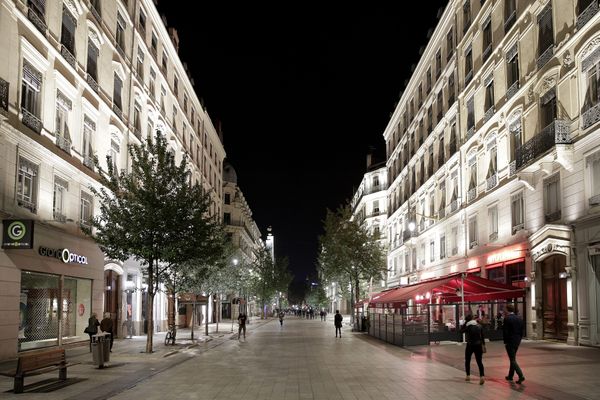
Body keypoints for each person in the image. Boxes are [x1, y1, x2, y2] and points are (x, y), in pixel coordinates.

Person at [503, 304, 525, 384]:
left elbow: (506, 332)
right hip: (517, 341)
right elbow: (522, 330)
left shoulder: (507, 319)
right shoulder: (519, 318)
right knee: (513, 358)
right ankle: (510, 375)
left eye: (505, 309)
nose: (504, 310)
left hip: (510, 341)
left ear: (507, 310)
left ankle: (521, 375)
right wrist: (519, 339)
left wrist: (505, 341)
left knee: (512, 359)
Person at [461, 314, 485, 385]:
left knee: (467, 360)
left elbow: (460, 331)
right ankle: (482, 376)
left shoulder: (468, 326)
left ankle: (468, 376)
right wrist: (483, 345)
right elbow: (482, 337)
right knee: (479, 361)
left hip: (470, 345)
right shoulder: (479, 326)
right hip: (478, 345)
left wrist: (465, 323)